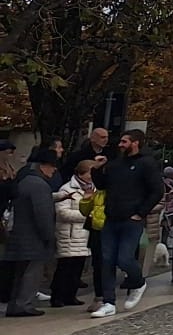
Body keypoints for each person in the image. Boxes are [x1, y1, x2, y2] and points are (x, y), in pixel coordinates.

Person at [96, 129, 160, 313]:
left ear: (136, 143)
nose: (120, 144)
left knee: (124, 258)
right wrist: (97, 169)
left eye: (125, 141)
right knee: (106, 260)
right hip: (112, 217)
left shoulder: (146, 164)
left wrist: (140, 212)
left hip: (131, 219)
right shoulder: (117, 164)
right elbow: (102, 185)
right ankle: (108, 302)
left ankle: (138, 282)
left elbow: (156, 191)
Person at [4, 149, 59, 317]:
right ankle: (24, 304)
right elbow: (43, 215)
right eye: (52, 167)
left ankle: (16, 304)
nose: (54, 171)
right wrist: (49, 237)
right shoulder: (39, 185)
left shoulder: (25, 180)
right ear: (44, 166)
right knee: (31, 273)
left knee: (21, 273)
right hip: (33, 238)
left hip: (20, 235)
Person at [50, 157, 96, 309]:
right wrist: (85, 216)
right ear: (81, 173)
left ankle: (71, 295)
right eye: (90, 172)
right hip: (68, 233)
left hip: (84, 234)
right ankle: (57, 296)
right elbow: (62, 213)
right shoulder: (67, 189)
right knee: (65, 267)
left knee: (78, 267)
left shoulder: (94, 189)